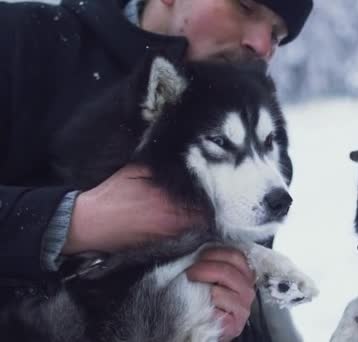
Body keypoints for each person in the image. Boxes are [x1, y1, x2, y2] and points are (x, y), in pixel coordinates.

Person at [0, 0, 312, 340]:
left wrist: (229, 318)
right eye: (245, 7)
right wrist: (74, 222)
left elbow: (239, 314)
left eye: (277, 36)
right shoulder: (19, 39)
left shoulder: (260, 155)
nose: (262, 45)